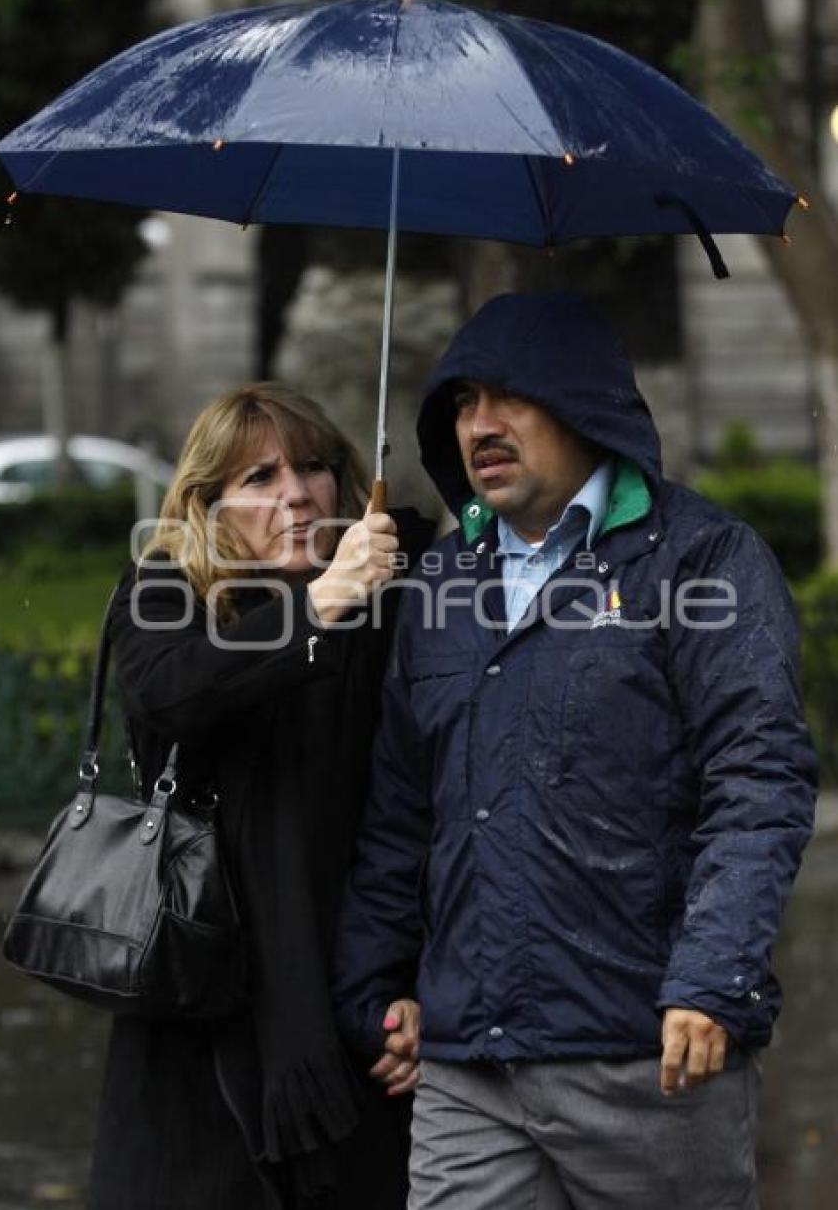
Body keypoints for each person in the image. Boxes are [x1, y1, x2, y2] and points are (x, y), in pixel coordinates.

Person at [333, 292, 818, 1210]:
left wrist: (714, 976)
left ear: (586, 403)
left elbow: (758, 782)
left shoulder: (702, 561)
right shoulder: (438, 583)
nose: (481, 424)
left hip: (648, 1056)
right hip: (467, 1065)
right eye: (464, 402)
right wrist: (375, 987)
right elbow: (401, 812)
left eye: (510, 396)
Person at [87, 381, 432, 1210]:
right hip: (199, 1011)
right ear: (206, 504)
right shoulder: (165, 590)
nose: (295, 494)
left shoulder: (397, 600)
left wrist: (430, 983)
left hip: (355, 1005)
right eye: (259, 477)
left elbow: (437, 803)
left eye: (313, 467)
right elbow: (173, 693)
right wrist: (318, 606)